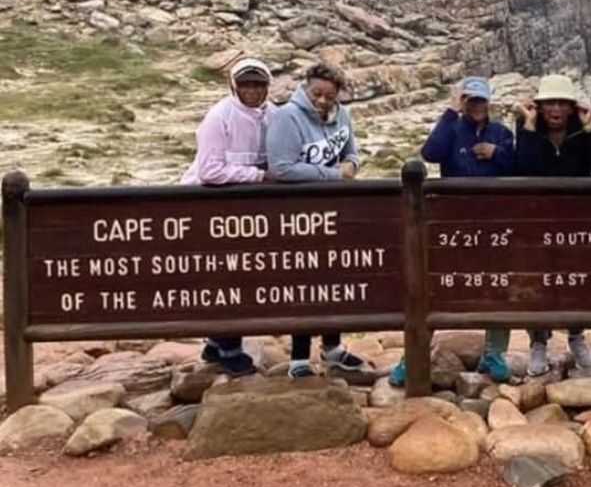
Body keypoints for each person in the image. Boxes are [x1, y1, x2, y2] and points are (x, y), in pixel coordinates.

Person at [390, 76, 516, 386]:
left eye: (480, 100)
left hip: (494, 225)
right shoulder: (452, 128)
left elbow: (519, 164)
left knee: (498, 284)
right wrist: (449, 112)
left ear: (488, 102)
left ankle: (494, 353)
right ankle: (413, 354)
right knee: (433, 286)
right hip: (452, 223)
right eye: (469, 100)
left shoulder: (501, 132)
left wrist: (495, 153)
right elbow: (430, 153)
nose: (475, 106)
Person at [513, 73, 591, 377]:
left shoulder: (584, 129)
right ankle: (538, 343)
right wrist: (530, 126)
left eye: (562, 103)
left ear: (572, 107)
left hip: (577, 218)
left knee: (577, 278)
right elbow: (524, 166)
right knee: (537, 280)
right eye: (550, 103)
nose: (556, 109)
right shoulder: (528, 127)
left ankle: (576, 338)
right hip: (535, 219)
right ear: (540, 106)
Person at [266, 62, 367, 380]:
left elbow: (352, 153)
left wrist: (350, 164)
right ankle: (298, 358)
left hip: (334, 211)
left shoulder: (343, 115)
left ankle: (333, 348)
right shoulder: (287, 117)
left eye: (330, 96)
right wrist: (334, 175)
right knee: (304, 283)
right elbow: (282, 167)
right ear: (306, 87)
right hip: (298, 213)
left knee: (334, 280)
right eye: (317, 94)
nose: (323, 101)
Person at [181, 56, 278, 377]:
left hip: (245, 210)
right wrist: (259, 177)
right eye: (246, 84)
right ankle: (229, 348)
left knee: (242, 273)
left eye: (258, 84)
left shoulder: (275, 116)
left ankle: (215, 341)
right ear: (233, 86)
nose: (252, 90)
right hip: (206, 206)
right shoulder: (218, 117)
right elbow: (210, 171)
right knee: (223, 275)